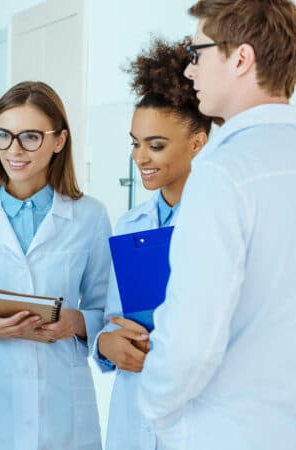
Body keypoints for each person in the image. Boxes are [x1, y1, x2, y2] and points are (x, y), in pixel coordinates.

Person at [137, 1, 296, 449]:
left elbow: (191, 343)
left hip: (225, 432)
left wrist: (154, 407)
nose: (190, 73)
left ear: (241, 58)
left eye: (198, 54)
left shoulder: (222, 173)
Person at [0, 81, 111, 449]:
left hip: (62, 405)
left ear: (59, 141)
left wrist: (75, 322)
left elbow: (105, 308)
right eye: (4, 135)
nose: (14, 150)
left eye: (30, 137)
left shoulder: (90, 216)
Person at [92, 37, 212, 450]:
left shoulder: (219, 219)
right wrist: (106, 346)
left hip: (194, 418)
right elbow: (113, 320)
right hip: (133, 416)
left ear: (197, 143)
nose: (140, 157)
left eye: (156, 145)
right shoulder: (129, 225)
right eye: (135, 142)